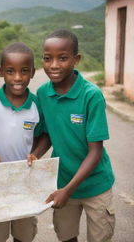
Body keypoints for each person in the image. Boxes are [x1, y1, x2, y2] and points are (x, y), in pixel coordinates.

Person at [37, 29, 115, 242]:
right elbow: (47, 133)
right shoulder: (43, 93)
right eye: (47, 58)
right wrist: (35, 154)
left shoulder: (91, 96)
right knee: (66, 235)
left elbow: (95, 152)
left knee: (99, 238)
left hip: (95, 185)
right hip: (62, 181)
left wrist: (68, 190)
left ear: (76, 59)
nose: (53, 65)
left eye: (62, 58)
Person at [0, 42, 49, 242]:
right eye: (10, 71)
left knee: (24, 233)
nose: (17, 77)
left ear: (33, 72)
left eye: (24, 71)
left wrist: (36, 154)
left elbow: (44, 135)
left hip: (24, 180)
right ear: (1, 72)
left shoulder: (36, 105)